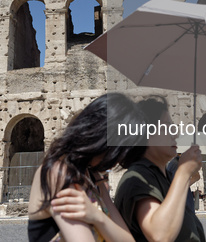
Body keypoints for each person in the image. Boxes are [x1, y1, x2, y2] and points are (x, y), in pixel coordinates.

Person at [28, 93, 144, 242]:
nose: (118, 161)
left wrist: (97, 217)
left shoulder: (94, 176)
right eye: (119, 152)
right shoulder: (59, 173)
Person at [114, 97, 206, 242]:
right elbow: (160, 235)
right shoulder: (137, 178)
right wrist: (183, 171)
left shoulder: (165, 177)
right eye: (167, 126)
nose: (175, 134)